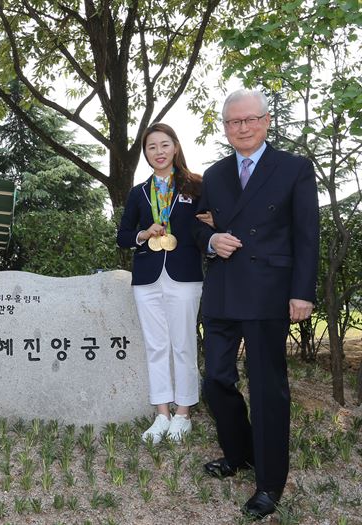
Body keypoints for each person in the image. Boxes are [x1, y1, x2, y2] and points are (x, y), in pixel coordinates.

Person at [193, 89, 319, 520]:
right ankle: (239, 453)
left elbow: (306, 234)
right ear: (225, 128)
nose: (242, 128)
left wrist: (302, 292)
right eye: (233, 122)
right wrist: (211, 240)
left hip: (269, 291)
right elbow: (197, 225)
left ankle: (269, 484)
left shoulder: (294, 169)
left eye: (249, 120)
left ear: (266, 121)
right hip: (224, 290)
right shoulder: (215, 174)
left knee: (267, 390)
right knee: (216, 381)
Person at [117, 123, 209, 445]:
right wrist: (143, 234)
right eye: (151, 147)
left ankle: (183, 413)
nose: (158, 151)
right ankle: (161, 413)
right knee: (156, 347)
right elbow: (123, 235)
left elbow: (211, 224)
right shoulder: (139, 193)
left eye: (164, 145)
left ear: (175, 147)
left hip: (184, 276)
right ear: (146, 153)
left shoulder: (195, 186)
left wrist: (215, 221)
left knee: (183, 344)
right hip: (147, 278)